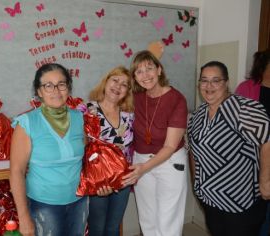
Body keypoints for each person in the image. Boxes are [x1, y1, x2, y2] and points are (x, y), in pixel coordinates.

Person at [187, 61, 270, 236]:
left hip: (241, 201)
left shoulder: (244, 108)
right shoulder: (198, 114)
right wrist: (196, 183)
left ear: (226, 83)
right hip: (210, 198)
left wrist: (265, 181)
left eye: (216, 80)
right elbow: (194, 151)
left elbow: (267, 140)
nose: (209, 86)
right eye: (204, 80)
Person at [9, 63, 88, 236]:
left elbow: (88, 160)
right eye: (48, 85)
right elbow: (16, 171)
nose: (56, 91)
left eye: (61, 84)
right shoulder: (27, 123)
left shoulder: (80, 119)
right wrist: (23, 217)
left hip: (79, 201)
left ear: (68, 88)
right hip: (44, 205)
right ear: (39, 91)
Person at [122, 50, 188, 236]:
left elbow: (169, 146)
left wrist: (143, 168)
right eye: (139, 71)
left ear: (159, 70)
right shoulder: (136, 97)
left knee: (168, 219)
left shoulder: (177, 99)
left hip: (169, 161)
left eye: (149, 68)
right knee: (147, 218)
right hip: (141, 159)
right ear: (134, 76)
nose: (145, 75)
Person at [86, 66, 134, 236]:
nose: (118, 86)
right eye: (115, 80)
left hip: (123, 181)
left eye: (124, 84)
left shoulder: (129, 115)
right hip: (99, 183)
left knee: (113, 228)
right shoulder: (88, 111)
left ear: (127, 91)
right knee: (97, 229)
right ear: (106, 82)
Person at [235, 49, 270, 236]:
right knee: (255, 210)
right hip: (252, 159)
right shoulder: (247, 88)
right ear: (263, 66)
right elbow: (236, 124)